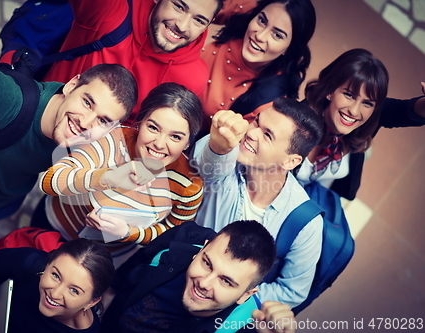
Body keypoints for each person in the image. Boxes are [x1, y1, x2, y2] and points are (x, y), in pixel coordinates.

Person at [0, 25, 137, 280]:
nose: (86, 122)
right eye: (87, 102)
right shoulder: (6, 99)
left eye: (103, 120)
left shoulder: (89, 139)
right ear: (71, 85)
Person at [35, 82, 204, 266]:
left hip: (106, 257)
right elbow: (48, 181)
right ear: (140, 123)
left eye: (176, 137)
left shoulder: (189, 185)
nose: (160, 144)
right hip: (53, 227)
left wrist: (129, 233)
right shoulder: (112, 139)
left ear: (188, 143)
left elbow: (172, 233)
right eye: (153, 128)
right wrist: (107, 177)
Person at [192, 97, 324, 307]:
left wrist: (230, 291)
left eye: (267, 135)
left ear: (291, 161)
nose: (251, 133)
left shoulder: (305, 223)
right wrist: (217, 146)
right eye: (256, 122)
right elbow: (202, 164)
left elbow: (292, 292)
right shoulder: (229, 153)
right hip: (179, 270)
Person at [43, 0, 225, 124]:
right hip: (40, 120)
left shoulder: (194, 77)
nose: (182, 26)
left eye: (199, 20)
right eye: (178, 6)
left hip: (89, 160)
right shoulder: (112, 11)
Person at [99, 220, 277, 333]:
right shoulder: (184, 237)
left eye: (225, 281)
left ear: (246, 294)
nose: (204, 283)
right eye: (207, 263)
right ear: (202, 249)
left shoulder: (244, 326)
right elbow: (125, 275)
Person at [298, 49, 425, 199]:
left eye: (367, 103)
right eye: (349, 95)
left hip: (314, 200)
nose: (354, 111)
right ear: (331, 90)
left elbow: (407, 111)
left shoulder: (370, 116)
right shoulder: (296, 120)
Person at [199, 0, 316, 133]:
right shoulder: (244, 15)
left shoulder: (269, 103)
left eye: (277, 35)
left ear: (289, 49)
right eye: (262, 21)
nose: (260, 35)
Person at [0, 238, 115, 333]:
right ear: (47, 264)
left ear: (92, 302)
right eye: (55, 276)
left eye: (74, 290)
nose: (54, 294)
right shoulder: (31, 263)